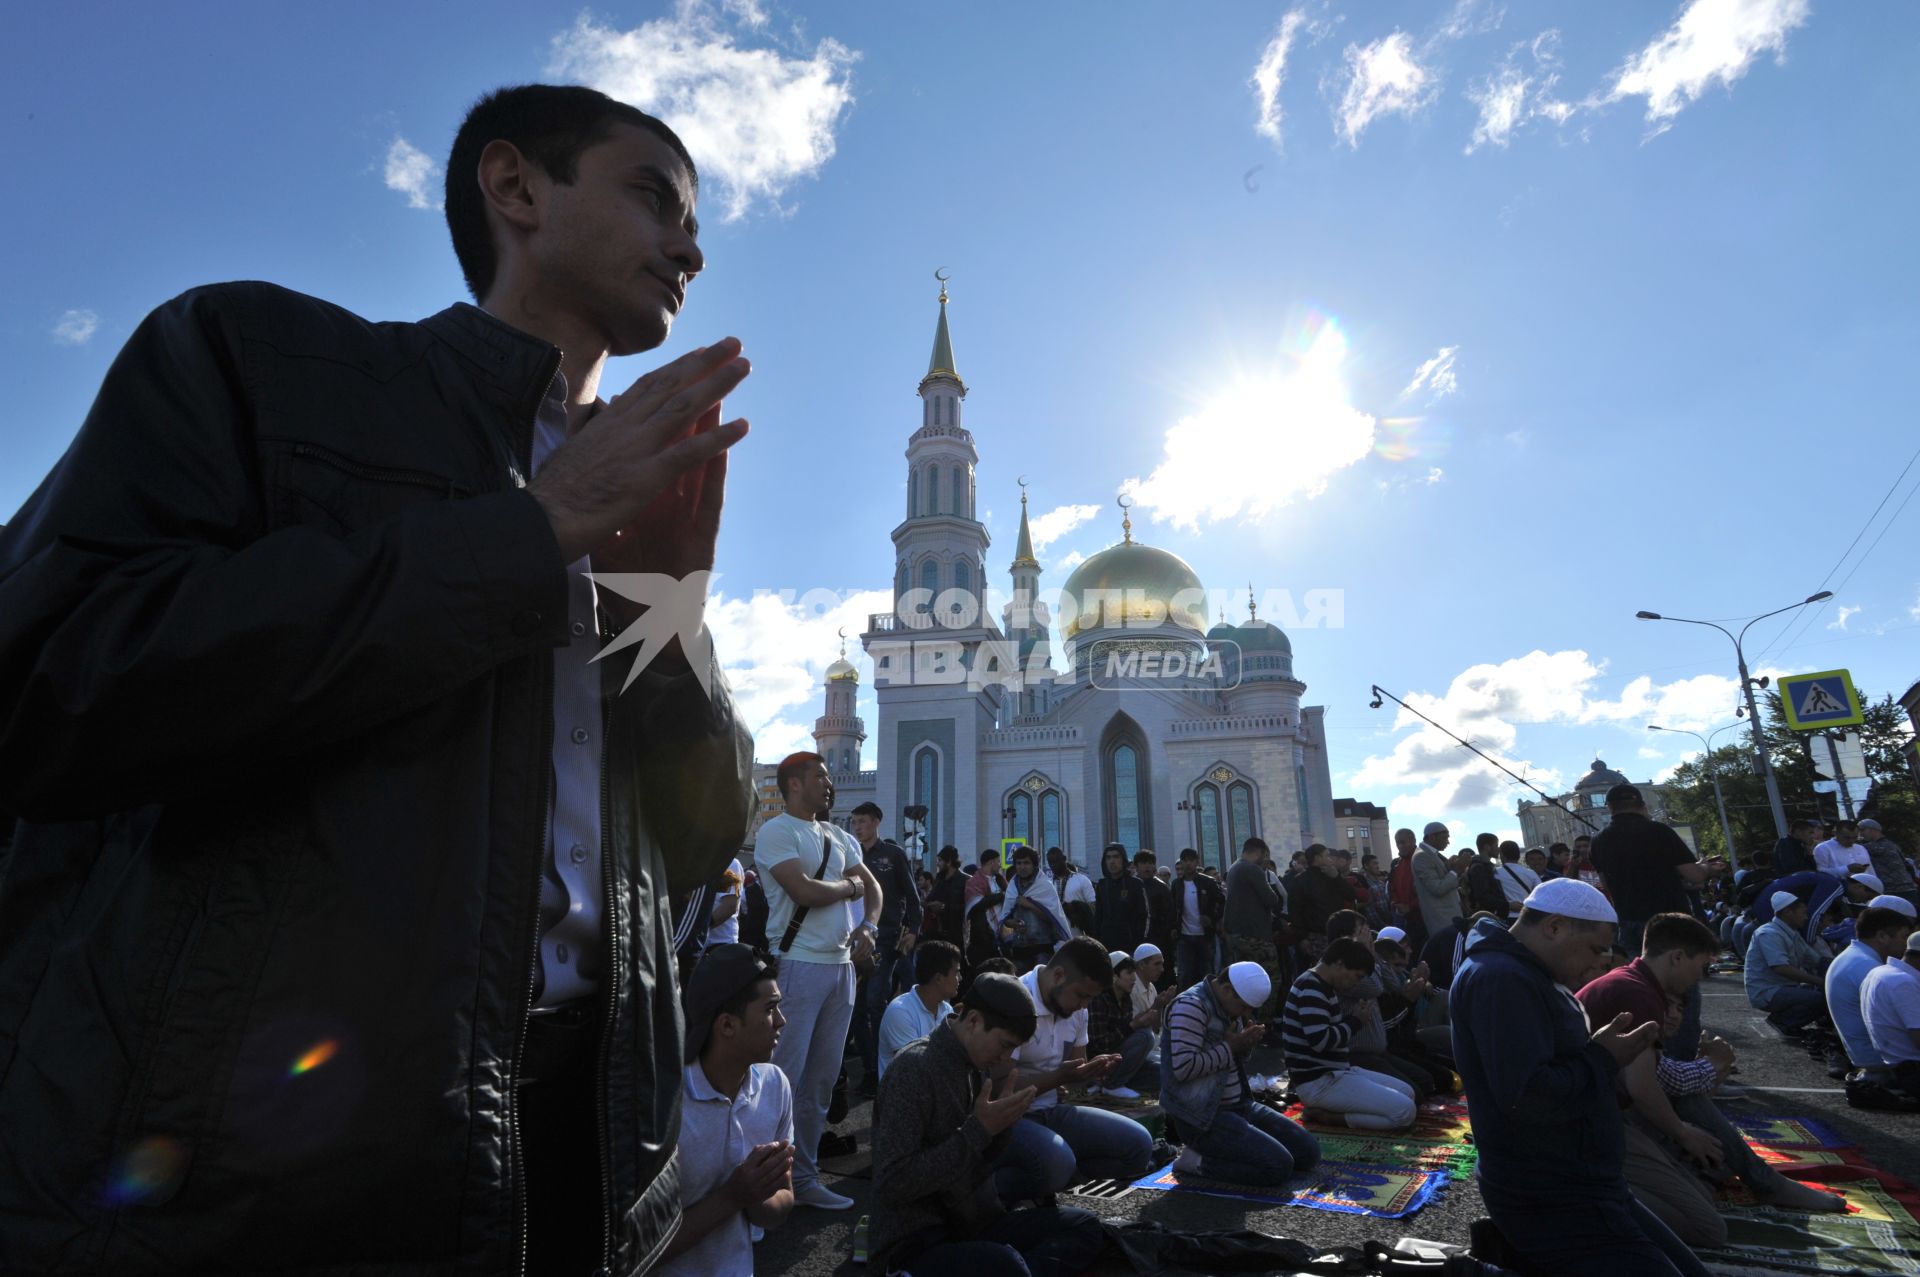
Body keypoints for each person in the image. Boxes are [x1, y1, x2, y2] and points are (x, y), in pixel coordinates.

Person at [0, 84, 758, 1275]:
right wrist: (534, 529)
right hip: (284, 1168)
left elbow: (703, 840)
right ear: (514, 187)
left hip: (588, 1147)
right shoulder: (266, 367)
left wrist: (665, 620)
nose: (691, 245)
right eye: (654, 196)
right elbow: (54, 682)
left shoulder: (635, 496)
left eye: (696, 218)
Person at [1452, 878, 1709, 1277]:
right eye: (1596, 948)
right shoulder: (1503, 979)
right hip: (1552, 1193)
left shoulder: (1526, 971)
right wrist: (1603, 1057)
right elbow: (1529, 1097)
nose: (1604, 961)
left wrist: (1598, 1054)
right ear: (1554, 927)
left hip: (1583, 1183)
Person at [1577, 914, 1842, 1248]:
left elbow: (1658, 1079)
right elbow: (1642, 1088)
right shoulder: (1636, 992)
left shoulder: (1633, 983)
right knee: (1708, 1229)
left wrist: (1709, 1075)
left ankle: (1756, 1178)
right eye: (1701, 967)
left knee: (1702, 1182)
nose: (1699, 979)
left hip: (1599, 1113)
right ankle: (1580, 1202)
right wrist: (1683, 1133)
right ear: (1677, 957)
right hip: (1589, 1124)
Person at [869, 973, 1106, 1277]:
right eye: (1005, 1045)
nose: (1006, 1058)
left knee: (1083, 1227)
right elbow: (892, 1183)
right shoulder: (914, 1069)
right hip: (915, 1242)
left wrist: (1002, 1126)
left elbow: (978, 1165)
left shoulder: (974, 1064)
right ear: (973, 1022)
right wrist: (978, 1130)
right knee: (1007, 1266)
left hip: (970, 1223)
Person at [758, 752, 881, 1211]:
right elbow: (804, 890)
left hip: (842, 968)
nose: (828, 783)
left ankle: (804, 1178)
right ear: (793, 783)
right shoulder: (778, 831)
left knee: (822, 1082)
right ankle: (765, 1186)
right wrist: (850, 889)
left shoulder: (839, 835)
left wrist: (868, 925)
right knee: (783, 1079)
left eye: (829, 776)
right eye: (820, 776)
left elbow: (875, 888)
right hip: (798, 964)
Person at [659, 945, 795, 1277]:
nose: (781, 1021)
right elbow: (642, 1248)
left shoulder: (774, 1085)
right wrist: (734, 1196)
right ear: (727, 1025)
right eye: (770, 1009)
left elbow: (781, 1204)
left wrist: (757, 1195)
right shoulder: (665, 1105)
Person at [1000, 939, 1154, 1192]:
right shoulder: (1017, 1000)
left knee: (1139, 1145)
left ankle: (1063, 1178)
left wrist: (1090, 1072)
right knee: (1057, 1161)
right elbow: (997, 1086)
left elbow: (1073, 1074)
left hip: (1052, 1111)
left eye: (1090, 999)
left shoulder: (1076, 1009)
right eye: (1082, 996)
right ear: (1059, 975)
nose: (1084, 1006)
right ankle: (997, 1191)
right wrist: (1057, 1078)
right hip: (1011, 1119)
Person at [1164, 962, 1321, 1185]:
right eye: (1244, 1007)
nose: (1246, 1014)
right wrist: (1231, 1048)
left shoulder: (1227, 1005)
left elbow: (1229, 1060)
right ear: (1227, 989)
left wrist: (1244, 1046)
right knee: (1278, 1166)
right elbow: (1184, 1068)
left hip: (1239, 1105)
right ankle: (1196, 1161)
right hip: (1203, 1118)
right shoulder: (1191, 1007)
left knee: (1308, 1152)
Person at [1282, 939, 1417, 1130]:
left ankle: (1339, 1113)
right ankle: (1330, 1117)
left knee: (1407, 1092)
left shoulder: (1323, 986)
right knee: (1405, 1111)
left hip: (1337, 1073)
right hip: (1320, 1082)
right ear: (1339, 964)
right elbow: (1320, 1041)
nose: (1356, 984)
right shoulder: (1311, 987)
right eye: (1357, 976)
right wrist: (1356, 1022)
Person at [850, 801, 921, 1095]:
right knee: (855, 1009)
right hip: (854, 941)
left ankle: (886, 1070)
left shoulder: (893, 855)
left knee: (875, 1001)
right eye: (854, 822)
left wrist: (914, 932)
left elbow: (914, 899)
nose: (857, 827)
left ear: (877, 822)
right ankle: (870, 1069)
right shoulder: (850, 855)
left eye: (863, 821)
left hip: (886, 940)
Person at [1827, 906, 1915, 1077]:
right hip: (1881, 1061)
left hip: (1865, 1055)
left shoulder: (1854, 956)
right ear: (1882, 936)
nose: (1907, 945)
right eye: (1904, 937)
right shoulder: (1868, 967)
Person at [1744, 891, 1829, 1035]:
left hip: (1783, 987)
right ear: (1788, 912)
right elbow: (1781, 968)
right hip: (1767, 991)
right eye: (1803, 913)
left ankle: (1819, 1019)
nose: (1806, 917)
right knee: (1818, 998)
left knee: (1828, 991)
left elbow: (1817, 960)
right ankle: (1782, 1021)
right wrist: (1820, 981)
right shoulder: (1769, 933)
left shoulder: (1792, 933)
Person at [879, 940, 963, 1081]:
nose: (960, 978)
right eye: (956, 973)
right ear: (938, 978)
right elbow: (913, 1068)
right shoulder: (900, 1012)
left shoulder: (946, 1010)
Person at [1223, 836, 1283, 1018]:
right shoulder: (1252, 869)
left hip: (1236, 934)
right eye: (1265, 856)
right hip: (1256, 936)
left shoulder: (1234, 868)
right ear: (1259, 853)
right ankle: (1264, 1021)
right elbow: (1271, 899)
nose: (1265, 861)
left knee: (1242, 981)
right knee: (1270, 979)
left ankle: (1243, 1018)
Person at [1086, 951, 1159, 1098]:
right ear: (1114, 976)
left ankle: (1119, 1082)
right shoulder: (1099, 999)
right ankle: (1111, 1085)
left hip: (1120, 1060)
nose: (1133, 978)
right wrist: (1133, 1026)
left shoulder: (1126, 998)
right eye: (1129, 973)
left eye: (1134, 973)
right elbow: (1099, 1044)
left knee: (1162, 1072)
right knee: (1145, 1036)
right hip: (1101, 1063)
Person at [1861, 929, 1920, 1092]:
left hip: (1892, 1063)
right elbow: (1918, 1038)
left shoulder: (1879, 972)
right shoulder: (1903, 983)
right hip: (1911, 1069)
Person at [1000, 845, 1071, 973]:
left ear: (1034, 865)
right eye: (1019, 863)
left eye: (1026, 863)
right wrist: (1014, 924)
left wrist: (1030, 905)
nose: (1022, 867)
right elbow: (1006, 919)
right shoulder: (1012, 887)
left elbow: (1052, 918)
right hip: (1019, 947)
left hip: (1042, 947)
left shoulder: (1045, 886)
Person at [1171, 848, 1224, 989]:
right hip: (1184, 937)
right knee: (1184, 975)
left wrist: (1212, 919)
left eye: (1191, 860)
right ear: (1181, 863)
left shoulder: (1208, 882)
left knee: (1206, 974)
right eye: (1185, 861)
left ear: (1197, 862)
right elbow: (1173, 909)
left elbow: (1222, 902)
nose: (1188, 864)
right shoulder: (1176, 884)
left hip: (1205, 936)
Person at [1289, 844, 1357, 948]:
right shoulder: (1301, 881)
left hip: (1340, 933)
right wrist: (1302, 937)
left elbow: (1351, 895)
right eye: (1327, 856)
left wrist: (1337, 878)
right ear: (1317, 858)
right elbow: (1295, 911)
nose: (1331, 860)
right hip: (1316, 936)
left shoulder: (1332, 876)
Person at [1412, 822, 1469, 941]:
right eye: (1445, 837)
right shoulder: (1421, 857)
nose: (1448, 842)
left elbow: (1440, 878)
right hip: (1442, 921)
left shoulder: (1430, 855)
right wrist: (1455, 870)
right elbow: (1437, 888)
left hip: (1448, 919)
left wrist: (1449, 866)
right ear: (1432, 837)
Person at [1091, 842, 1148, 954]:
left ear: (1123, 859)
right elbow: (1098, 917)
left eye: (1116, 857)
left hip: (1130, 947)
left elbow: (1144, 916)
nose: (1112, 861)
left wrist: (1138, 944)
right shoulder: (1102, 885)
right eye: (1108, 857)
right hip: (1106, 946)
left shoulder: (1135, 884)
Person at [963, 850, 1007, 969]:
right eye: (998, 861)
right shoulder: (974, 882)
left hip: (1000, 935)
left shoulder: (999, 880)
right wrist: (1001, 896)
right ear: (991, 862)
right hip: (982, 937)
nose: (1000, 865)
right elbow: (976, 904)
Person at [1134, 850, 1176, 974]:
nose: (1147, 866)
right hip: (1135, 938)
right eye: (1143, 863)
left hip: (1159, 939)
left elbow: (1170, 915)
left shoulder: (1162, 888)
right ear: (1136, 866)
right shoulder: (1132, 886)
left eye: (1150, 863)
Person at [1857, 819, 1916, 906]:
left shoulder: (1877, 847)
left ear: (1871, 829)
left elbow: (1855, 847)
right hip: (1906, 887)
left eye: (1862, 830)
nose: (1860, 834)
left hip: (1894, 890)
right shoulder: (1891, 844)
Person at [924, 845, 968, 948]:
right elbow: (929, 900)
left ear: (949, 862)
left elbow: (968, 907)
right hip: (939, 932)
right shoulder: (939, 880)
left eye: (940, 860)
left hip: (958, 934)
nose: (937, 863)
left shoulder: (965, 880)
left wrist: (944, 907)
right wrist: (930, 905)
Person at [1464, 833, 1509, 918]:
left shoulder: (1486, 866)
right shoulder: (1478, 867)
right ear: (1487, 847)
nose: (1498, 849)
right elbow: (1483, 897)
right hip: (1487, 916)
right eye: (1496, 845)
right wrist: (1508, 905)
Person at [1495, 841, 1541, 913]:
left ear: (1502, 855)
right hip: (1527, 915)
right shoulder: (1531, 873)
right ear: (1518, 856)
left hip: (1507, 915)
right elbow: (1540, 894)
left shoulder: (1495, 873)